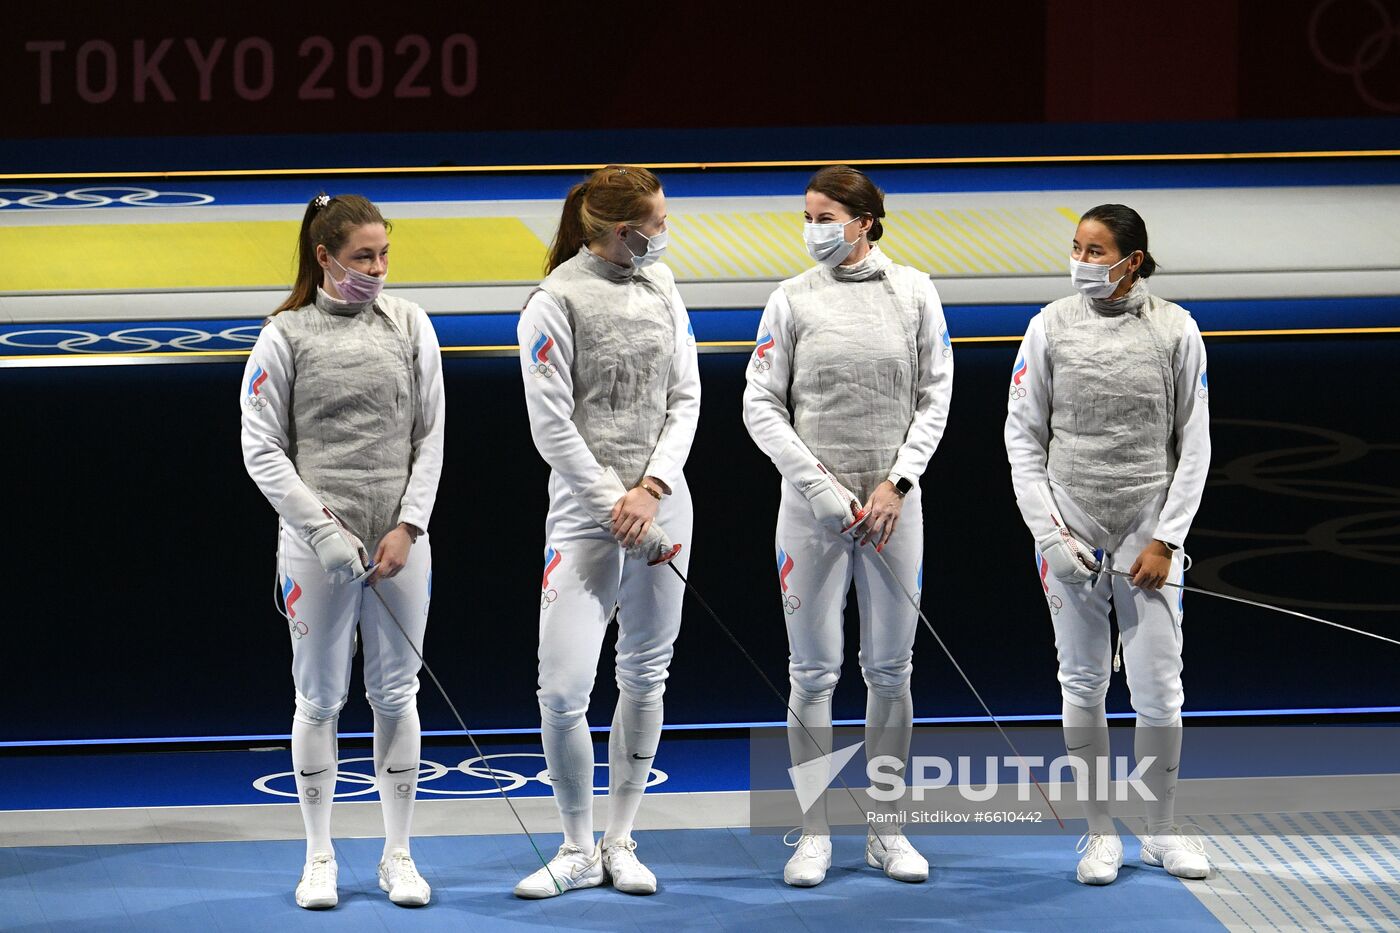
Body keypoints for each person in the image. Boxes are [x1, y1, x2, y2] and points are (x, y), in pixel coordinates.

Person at [742, 165, 954, 887]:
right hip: (811, 513)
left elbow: (935, 396)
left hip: (896, 508)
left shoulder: (915, 292)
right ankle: (812, 832)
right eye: (808, 215)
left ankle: (887, 830)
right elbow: (761, 404)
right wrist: (819, 488)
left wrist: (896, 482)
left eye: (825, 215)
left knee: (891, 670)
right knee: (813, 671)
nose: (813, 229)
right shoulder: (791, 299)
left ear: (864, 220)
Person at [240, 194, 445, 909]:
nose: (378, 269)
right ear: (324, 257)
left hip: (398, 547)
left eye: (385, 254)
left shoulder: (411, 324)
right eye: (363, 256)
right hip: (315, 550)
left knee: (396, 694)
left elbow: (430, 435)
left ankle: (399, 854)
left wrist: (409, 525)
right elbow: (261, 448)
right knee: (320, 698)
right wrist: (323, 531)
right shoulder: (284, 335)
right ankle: (319, 854)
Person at [1004, 203, 1211, 885]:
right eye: (1078, 248)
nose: (1083, 262)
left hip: (1147, 525)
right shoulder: (1049, 327)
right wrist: (1050, 533)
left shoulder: (1176, 330)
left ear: (1134, 261)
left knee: (1158, 687)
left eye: (1097, 251)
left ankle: (1161, 828)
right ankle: (1099, 833)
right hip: (1070, 522)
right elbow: (1022, 438)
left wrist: (1165, 539)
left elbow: (1194, 446)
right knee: (1083, 680)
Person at [511, 165, 699, 899]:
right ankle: (574, 843)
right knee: (562, 687)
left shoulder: (663, 284)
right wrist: (614, 500)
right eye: (656, 219)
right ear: (622, 230)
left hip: (664, 504)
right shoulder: (553, 300)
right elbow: (550, 425)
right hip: (587, 517)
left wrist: (652, 487)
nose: (664, 230)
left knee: (645, 673)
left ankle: (621, 838)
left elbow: (686, 393)